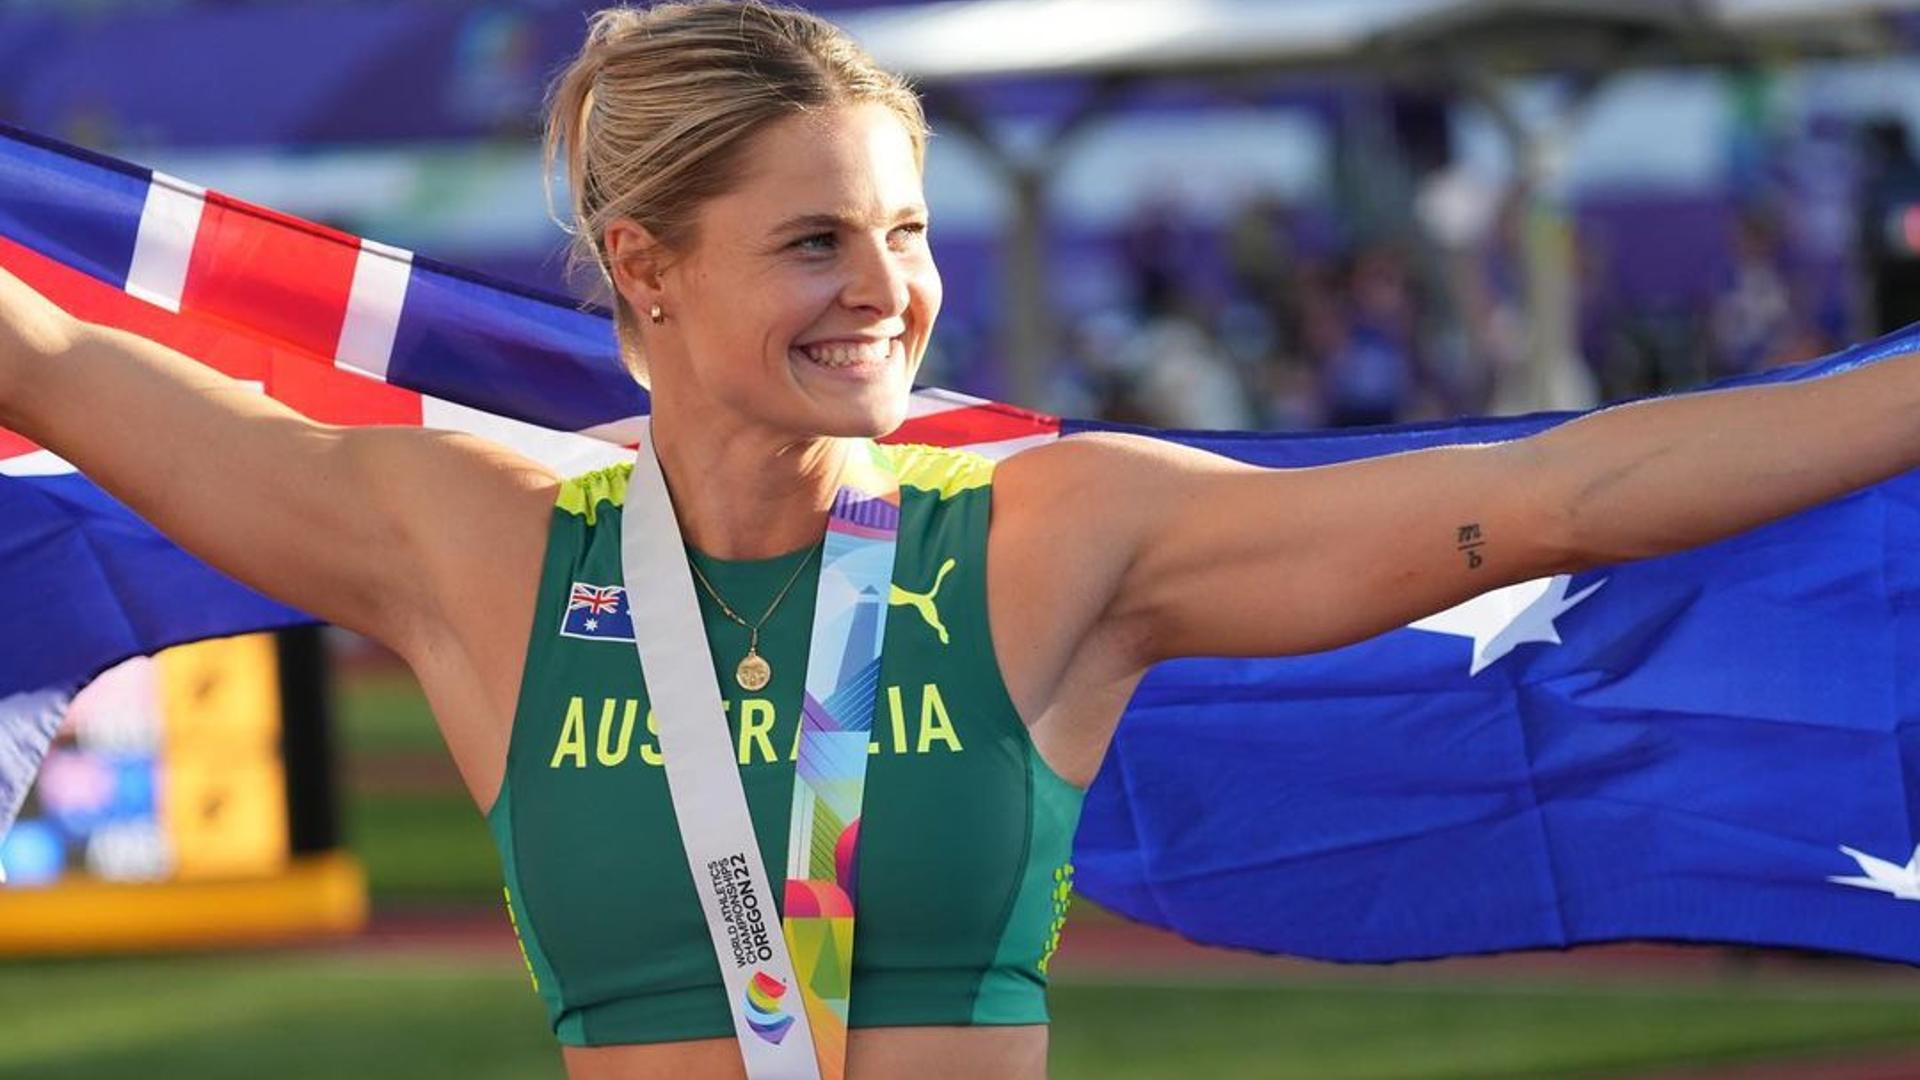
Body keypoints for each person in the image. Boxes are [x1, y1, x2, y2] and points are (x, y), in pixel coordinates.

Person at [3, 3, 1920, 1077]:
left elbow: (1565, 499)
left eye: (905, 233)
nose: (889, 293)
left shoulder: (1055, 537)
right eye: (820, 240)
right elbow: (76, 365)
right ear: (647, 275)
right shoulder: (471, 545)